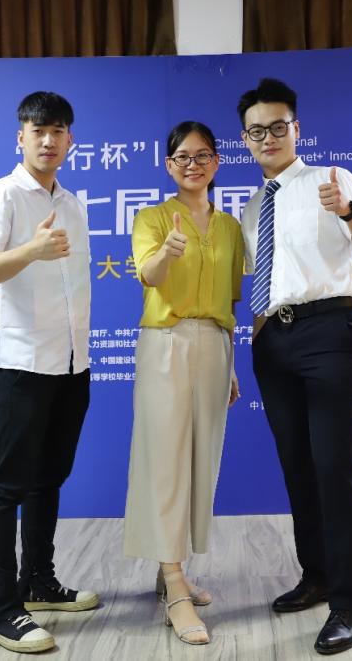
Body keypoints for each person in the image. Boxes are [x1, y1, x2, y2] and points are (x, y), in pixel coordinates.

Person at [236, 78, 352, 656]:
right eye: (256, 131)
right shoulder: (252, 207)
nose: (268, 137)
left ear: (296, 128)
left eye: (278, 126)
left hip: (331, 330)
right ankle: (317, 575)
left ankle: (347, 604)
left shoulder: (333, 179)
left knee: (332, 466)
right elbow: (262, 283)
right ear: (245, 139)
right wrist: (257, 339)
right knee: (297, 466)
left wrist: (347, 211)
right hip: (273, 341)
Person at [0, 91, 98, 654]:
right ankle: (0, 608)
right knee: (8, 485)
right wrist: (31, 250)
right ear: (20, 136)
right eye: (38, 130)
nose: (48, 140)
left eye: (58, 131)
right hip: (21, 361)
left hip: (71, 361)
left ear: (70, 140)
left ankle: (39, 582)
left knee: (49, 478)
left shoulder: (73, 203)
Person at [123, 120, 244, 646]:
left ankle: (171, 566)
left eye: (202, 155)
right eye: (182, 157)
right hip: (166, 342)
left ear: (216, 161)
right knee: (165, 460)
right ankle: (175, 587)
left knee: (200, 461)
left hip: (215, 344)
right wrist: (167, 251)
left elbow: (231, 299)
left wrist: (231, 363)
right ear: (168, 165)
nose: (192, 165)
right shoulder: (151, 218)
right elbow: (149, 275)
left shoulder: (231, 227)